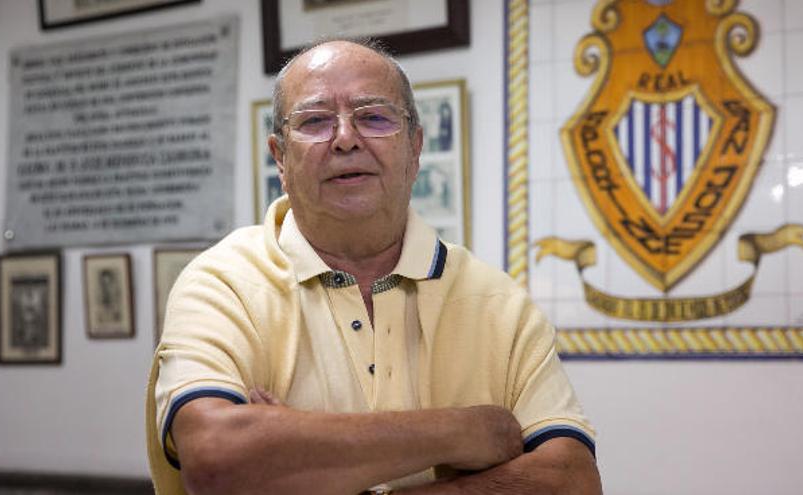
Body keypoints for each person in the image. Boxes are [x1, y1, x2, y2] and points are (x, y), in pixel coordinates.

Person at [146, 38, 601, 494]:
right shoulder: (224, 284)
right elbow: (217, 461)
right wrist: (467, 431)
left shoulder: (500, 306)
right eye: (315, 121)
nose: (346, 139)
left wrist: (296, 447)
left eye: (374, 117)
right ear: (280, 157)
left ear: (415, 147)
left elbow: (573, 481)